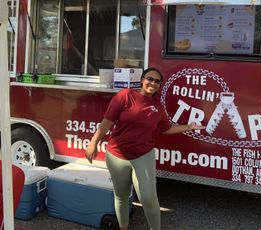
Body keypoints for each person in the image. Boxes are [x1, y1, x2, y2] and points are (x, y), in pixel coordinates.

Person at [85, 67, 204, 230]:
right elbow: (107, 122)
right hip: (117, 155)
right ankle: (124, 227)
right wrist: (93, 143)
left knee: (148, 198)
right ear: (142, 80)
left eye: (157, 81)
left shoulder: (158, 107)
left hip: (143, 155)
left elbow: (166, 129)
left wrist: (189, 127)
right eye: (150, 79)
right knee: (121, 195)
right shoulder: (125, 96)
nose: (153, 83)